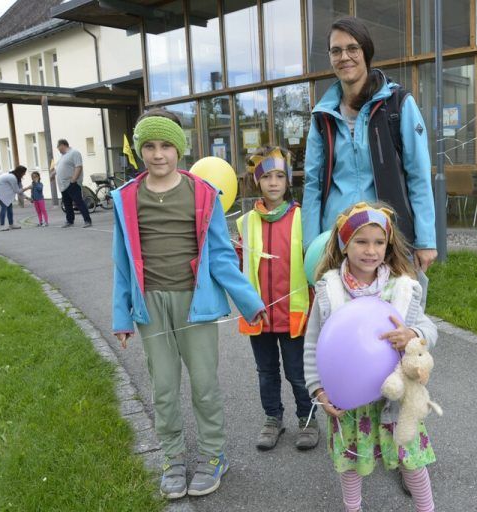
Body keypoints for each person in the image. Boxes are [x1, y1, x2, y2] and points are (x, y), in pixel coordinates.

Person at [111, 108, 267, 500]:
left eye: (166, 145)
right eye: (149, 146)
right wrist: (122, 316)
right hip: (149, 307)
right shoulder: (126, 198)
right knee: (163, 386)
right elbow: (121, 261)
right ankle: (173, 457)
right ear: (139, 151)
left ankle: (213, 455)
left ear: (179, 149)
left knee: (204, 385)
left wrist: (250, 302)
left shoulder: (202, 193)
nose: (158, 154)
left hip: (195, 304)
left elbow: (221, 254)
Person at [303, 202, 438, 512]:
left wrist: (414, 334)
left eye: (379, 242)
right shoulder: (330, 291)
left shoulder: (402, 288)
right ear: (343, 244)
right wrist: (319, 390)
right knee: (352, 462)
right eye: (361, 241)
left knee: (412, 459)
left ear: (388, 245)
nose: (371, 250)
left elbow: (428, 328)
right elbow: (313, 345)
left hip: (398, 400)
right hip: (349, 403)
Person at [302, 16, 437, 276]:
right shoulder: (322, 116)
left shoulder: (398, 104)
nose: (345, 57)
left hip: (390, 239)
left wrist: (426, 240)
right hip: (338, 241)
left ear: (366, 52)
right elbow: (312, 183)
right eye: (336, 51)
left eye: (353, 48)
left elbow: (418, 175)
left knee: (395, 314)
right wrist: (311, 244)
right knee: (343, 316)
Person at [235, 146, 318, 451]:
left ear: (287, 180)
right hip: (259, 314)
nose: (273, 182)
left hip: (294, 313)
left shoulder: (302, 218)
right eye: (267, 176)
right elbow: (240, 265)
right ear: (257, 181)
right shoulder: (246, 222)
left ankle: (307, 420)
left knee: (298, 373)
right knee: (266, 373)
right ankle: (272, 419)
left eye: (279, 176)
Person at [49, 139, 92, 228]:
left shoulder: (74, 153)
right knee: (67, 203)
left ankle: (87, 220)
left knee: (79, 202)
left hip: (72, 183)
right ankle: (69, 220)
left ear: (63, 145)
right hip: (63, 185)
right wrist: (54, 173)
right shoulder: (63, 156)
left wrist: (73, 180)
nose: (58, 149)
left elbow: (78, 166)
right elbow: (61, 167)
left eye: (58, 147)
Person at [0, 166, 27, 231]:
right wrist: (28, 187)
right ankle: (2, 226)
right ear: (20, 172)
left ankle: (11, 224)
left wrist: (27, 198)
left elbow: (20, 190)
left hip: (1, 190)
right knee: (4, 206)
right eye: (24, 172)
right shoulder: (12, 177)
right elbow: (17, 191)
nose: (24, 174)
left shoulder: (17, 178)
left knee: (9, 205)